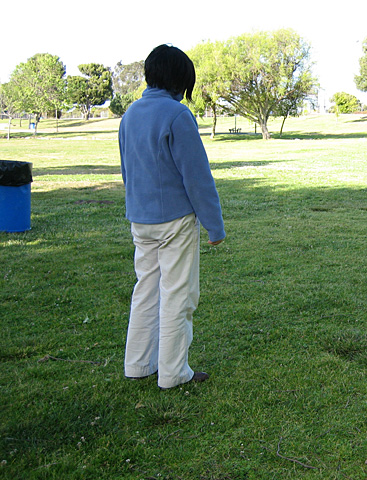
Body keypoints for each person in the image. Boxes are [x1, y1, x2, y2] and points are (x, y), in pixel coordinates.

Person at [119, 44, 225, 390]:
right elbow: (196, 176)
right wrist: (214, 224)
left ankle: (138, 364)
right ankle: (174, 372)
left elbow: (127, 169)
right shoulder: (178, 115)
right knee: (178, 294)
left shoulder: (130, 114)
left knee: (146, 290)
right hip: (175, 221)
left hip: (140, 219)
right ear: (181, 81)